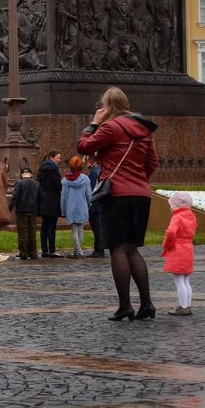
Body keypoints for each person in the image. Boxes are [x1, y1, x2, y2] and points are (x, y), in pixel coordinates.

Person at [77, 86, 159, 322]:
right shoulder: (145, 129)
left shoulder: (111, 127)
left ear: (107, 106)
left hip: (116, 194)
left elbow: (83, 146)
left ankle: (125, 305)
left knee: (118, 249)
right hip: (141, 194)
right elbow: (152, 162)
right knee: (132, 248)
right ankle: (147, 303)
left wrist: (93, 122)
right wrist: (138, 180)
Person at [162, 191, 197, 316]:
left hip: (178, 249)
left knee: (178, 281)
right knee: (186, 280)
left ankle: (182, 306)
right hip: (188, 248)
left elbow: (171, 232)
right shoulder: (191, 215)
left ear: (176, 205)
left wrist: (166, 245)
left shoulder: (177, 217)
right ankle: (187, 305)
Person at [60, 156, 93, 259]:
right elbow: (89, 195)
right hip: (82, 206)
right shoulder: (85, 179)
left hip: (71, 206)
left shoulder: (66, 180)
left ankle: (78, 251)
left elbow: (63, 197)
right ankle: (78, 251)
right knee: (80, 230)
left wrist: (63, 210)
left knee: (74, 230)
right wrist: (89, 204)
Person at [9, 168, 41, 260]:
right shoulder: (36, 183)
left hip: (21, 211)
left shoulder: (19, 183)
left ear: (22, 175)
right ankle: (33, 253)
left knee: (23, 233)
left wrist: (10, 208)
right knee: (32, 232)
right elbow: (41, 197)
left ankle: (23, 253)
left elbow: (15, 197)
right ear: (31, 174)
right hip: (33, 211)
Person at [36, 151, 63, 258]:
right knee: (51, 226)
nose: (59, 160)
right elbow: (58, 185)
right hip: (52, 201)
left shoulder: (41, 169)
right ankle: (52, 250)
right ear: (51, 157)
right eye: (58, 158)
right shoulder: (53, 170)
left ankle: (44, 250)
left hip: (43, 200)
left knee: (44, 225)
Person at [85, 157, 106, 258]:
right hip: (99, 204)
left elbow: (92, 189)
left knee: (97, 228)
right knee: (98, 227)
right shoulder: (100, 170)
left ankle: (99, 250)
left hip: (95, 204)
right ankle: (99, 249)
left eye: (87, 161)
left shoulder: (94, 172)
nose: (85, 163)